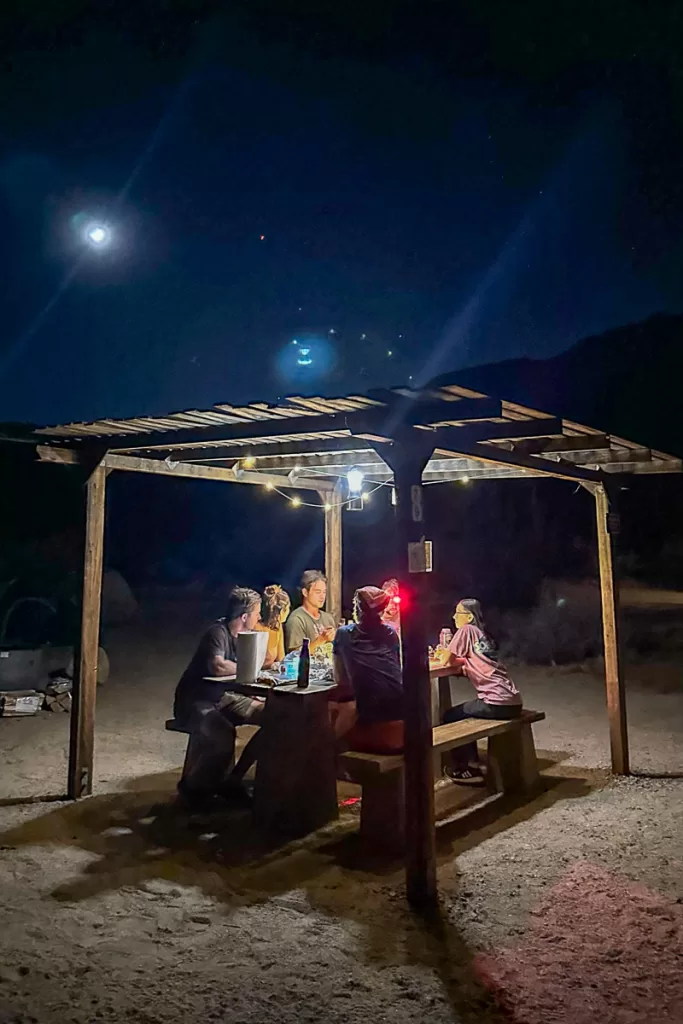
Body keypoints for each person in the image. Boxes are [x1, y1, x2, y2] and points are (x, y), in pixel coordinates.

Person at [173, 586, 266, 806]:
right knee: (222, 733)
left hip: (225, 698)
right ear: (244, 617)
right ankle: (194, 789)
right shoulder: (218, 632)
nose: (259, 617)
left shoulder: (245, 637)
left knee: (273, 715)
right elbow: (217, 666)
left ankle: (234, 779)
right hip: (198, 700)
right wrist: (248, 668)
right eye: (256, 613)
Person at [442, 598, 522, 784]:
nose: (454, 617)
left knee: (451, 716)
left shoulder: (466, 630)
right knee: (462, 713)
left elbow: (447, 660)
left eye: (458, 613)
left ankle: (466, 768)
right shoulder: (482, 634)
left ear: (468, 617)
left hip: (496, 703)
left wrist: (447, 654)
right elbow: (475, 661)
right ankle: (472, 762)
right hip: (512, 701)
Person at [331, 585, 404, 753]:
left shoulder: (344, 634)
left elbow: (340, 678)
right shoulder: (390, 633)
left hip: (377, 728)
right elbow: (396, 667)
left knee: (335, 713)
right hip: (403, 720)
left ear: (357, 609)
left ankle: (331, 766)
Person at [284, 569, 336, 652]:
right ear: (305, 592)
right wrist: (321, 639)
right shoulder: (297, 619)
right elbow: (294, 655)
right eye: (318, 592)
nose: (322, 597)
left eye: (324, 592)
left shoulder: (328, 618)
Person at [254, 584, 290, 668]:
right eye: (288, 608)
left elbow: (281, 659)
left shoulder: (278, 627)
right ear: (281, 612)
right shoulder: (255, 628)